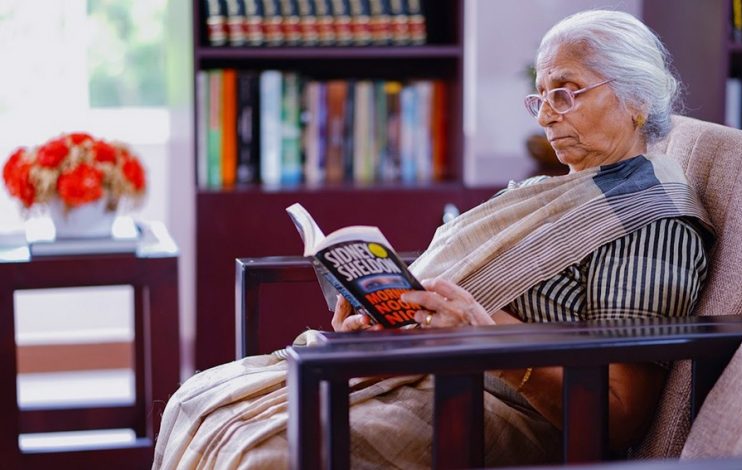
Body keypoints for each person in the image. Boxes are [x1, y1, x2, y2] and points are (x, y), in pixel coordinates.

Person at [154, 9, 713, 469]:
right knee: (199, 397)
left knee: (268, 455)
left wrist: (484, 337)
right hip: (445, 373)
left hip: (505, 410)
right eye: (540, 96)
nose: (546, 116)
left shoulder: (651, 223)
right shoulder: (568, 193)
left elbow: (619, 415)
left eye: (565, 93)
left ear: (638, 99)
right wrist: (388, 316)